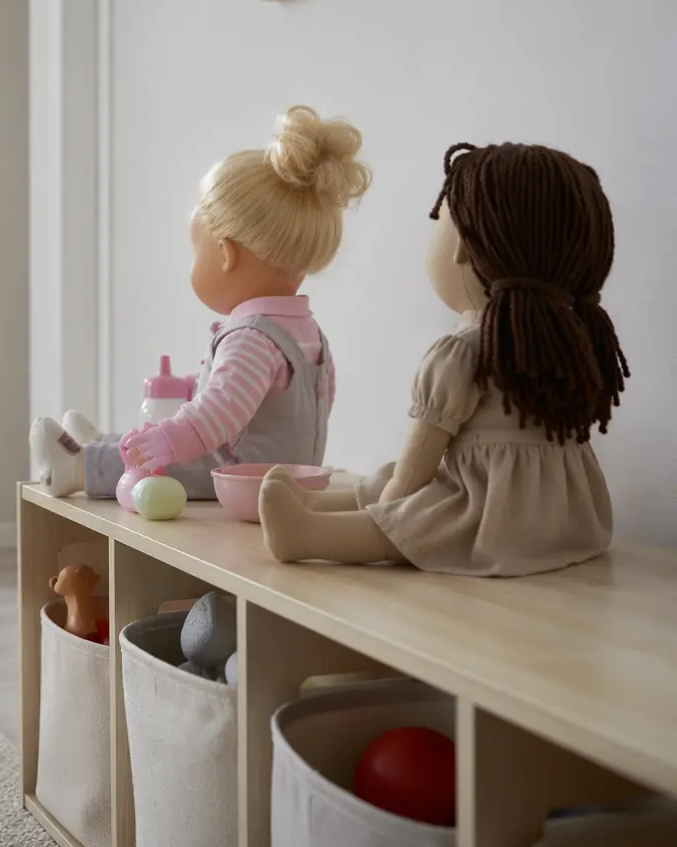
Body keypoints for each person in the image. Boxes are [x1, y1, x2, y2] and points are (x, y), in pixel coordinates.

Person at [259, 142, 629, 576]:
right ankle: (322, 501)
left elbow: (419, 464)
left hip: (498, 523)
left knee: (419, 517)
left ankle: (307, 534)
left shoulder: (465, 351)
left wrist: (395, 503)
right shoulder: (575, 340)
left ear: (463, 249)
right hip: (568, 520)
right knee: (411, 484)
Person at [30, 105, 370, 499]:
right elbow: (285, 405)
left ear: (225, 254)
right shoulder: (307, 332)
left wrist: (175, 435)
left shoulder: (252, 338)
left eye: (197, 251)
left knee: (168, 459)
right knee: (166, 439)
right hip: (290, 474)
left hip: (239, 476)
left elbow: (218, 414)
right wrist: (196, 387)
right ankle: (104, 443)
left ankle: (79, 466)